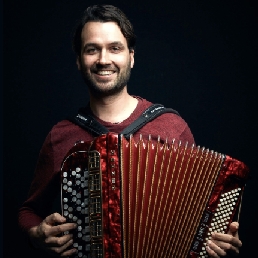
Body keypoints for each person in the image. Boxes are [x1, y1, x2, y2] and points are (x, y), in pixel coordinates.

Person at [18, 4, 242, 258]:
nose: (104, 60)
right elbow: (28, 211)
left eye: (115, 48)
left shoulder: (172, 127)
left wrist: (216, 240)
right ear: (79, 61)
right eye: (92, 50)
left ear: (131, 57)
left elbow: (200, 218)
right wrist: (37, 234)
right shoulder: (61, 135)